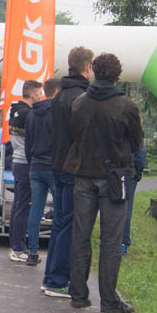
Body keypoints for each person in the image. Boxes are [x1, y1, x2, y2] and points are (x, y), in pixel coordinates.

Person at [64, 52, 143, 313]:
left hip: (83, 175)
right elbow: (136, 142)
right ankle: (108, 300)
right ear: (117, 75)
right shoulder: (126, 106)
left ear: (94, 71)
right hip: (114, 178)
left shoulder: (79, 103)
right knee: (111, 240)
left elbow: (73, 134)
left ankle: (78, 294)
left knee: (81, 236)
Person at [41, 46, 94, 298]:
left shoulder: (60, 94)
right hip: (74, 168)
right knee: (69, 224)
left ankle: (51, 276)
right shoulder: (82, 97)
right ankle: (57, 280)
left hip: (58, 165)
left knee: (60, 223)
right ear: (87, 68)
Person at [25, 77, 62, 265]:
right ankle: (56, 253)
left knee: (36, 211)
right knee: (60, 210)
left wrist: (32, 162)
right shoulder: (57, 112)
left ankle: (32, 253)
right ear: (55, 92)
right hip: (53, 167)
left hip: (35, 166)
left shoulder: (31, 114)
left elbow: (27, 144)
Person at [7, 80, 42, 262]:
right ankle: (18, 248)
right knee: (22, 206)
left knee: (18, 205)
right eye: (40, 93)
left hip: (17, 161)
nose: (42, 97)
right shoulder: (28, 115)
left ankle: (16, 245)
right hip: (25, 162)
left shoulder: (16, 111)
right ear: (32, 94)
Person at [121, 145, 147, 255]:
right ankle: (123, 243)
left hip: (113, 171)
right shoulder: (134, 129)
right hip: (130, 171)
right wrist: (138, 173)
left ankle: (110, 238)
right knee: (127, 206)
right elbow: (140, 154)